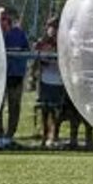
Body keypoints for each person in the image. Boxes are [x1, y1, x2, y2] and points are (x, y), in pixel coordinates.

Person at [0, 5, 31, 150]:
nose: (3, 19)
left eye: (5, 16)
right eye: (0, 16)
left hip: (15, 75)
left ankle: (9, 136)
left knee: (14, 106)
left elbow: (26, 50)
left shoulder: (19, 33)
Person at [33, 16, 67, 149]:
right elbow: (37, 61)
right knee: (45, 110)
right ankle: (44, 136)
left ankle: (54, 137)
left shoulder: (64, 43)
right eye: (51, 27)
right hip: (45, 80)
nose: (53, 30)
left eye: (56, 27)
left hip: (59, 81)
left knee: (57, 111)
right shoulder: (42, 43)